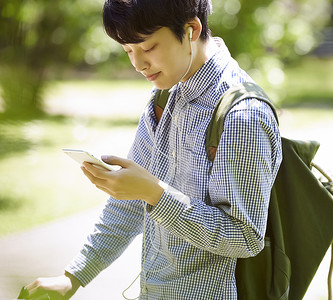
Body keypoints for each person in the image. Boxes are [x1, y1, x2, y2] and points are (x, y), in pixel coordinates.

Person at [25, 0, 282, 299]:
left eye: (147, 48)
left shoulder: (243, 116)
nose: (138, 64)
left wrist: (155, 194)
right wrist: (75, 276)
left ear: (191, 29)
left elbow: (245, 237)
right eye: (128, 51)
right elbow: (130, 202)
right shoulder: (165, 96)